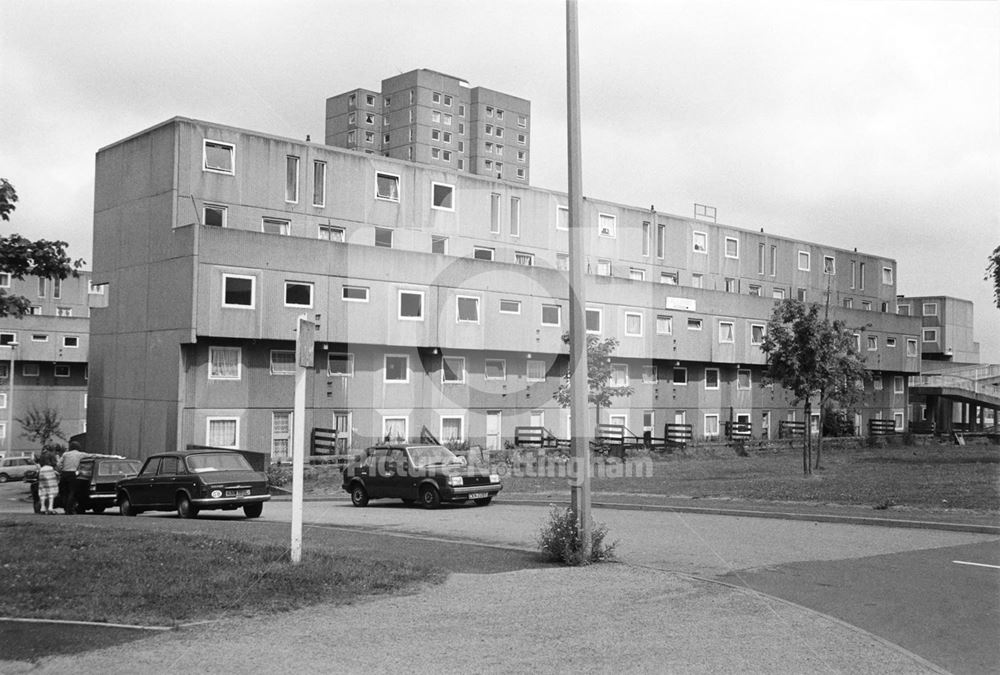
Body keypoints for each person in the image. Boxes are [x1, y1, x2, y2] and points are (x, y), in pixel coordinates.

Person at [56, 440, 87, 514]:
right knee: (72, 492)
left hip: (64, 474)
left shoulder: (65, 454)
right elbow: (94, 455)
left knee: (64, 492)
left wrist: (61, 469)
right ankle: (69, 509)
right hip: (73, 474)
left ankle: (65, 508)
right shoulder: (80, 454)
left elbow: (58, 464)